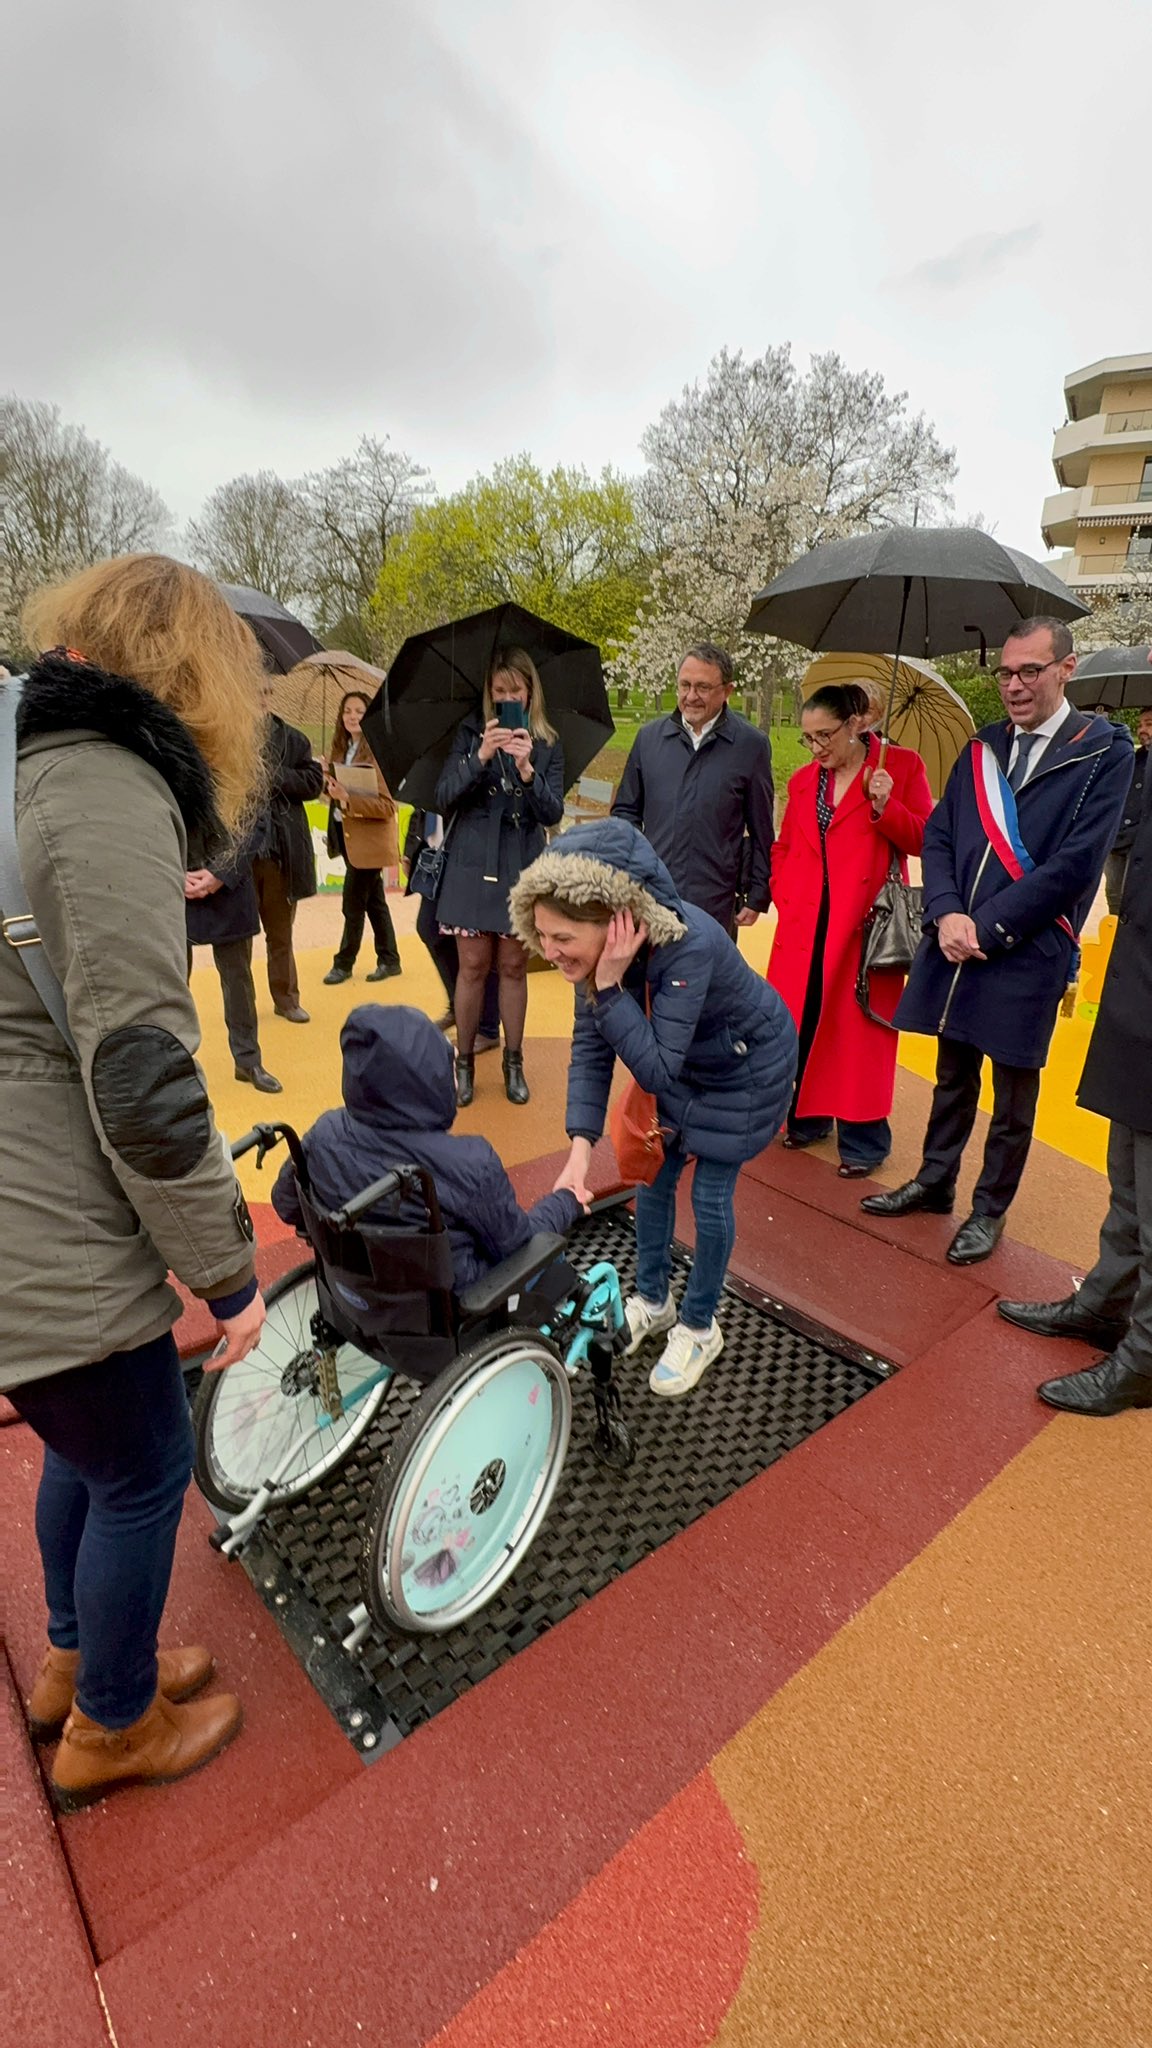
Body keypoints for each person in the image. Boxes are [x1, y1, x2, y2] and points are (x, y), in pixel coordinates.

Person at [2, 555, 268, 1810]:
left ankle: (79, 1656)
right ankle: (113, 1724)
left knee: (87, 1449)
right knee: (146, 1466)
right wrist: (228, 1271)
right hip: (45, 1201)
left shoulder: (29, 747)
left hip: (29, 1185)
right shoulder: (101, 775)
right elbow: (140, 1068)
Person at [863, 618, 1133, 1265]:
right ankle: (935, 1181)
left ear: (1066, 669)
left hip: (1028, 947)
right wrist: (946, 913)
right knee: (951, 1074)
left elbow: (1075, 866)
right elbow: (940, 835)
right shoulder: (982, 747)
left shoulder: (1104, 753)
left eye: (1029, 671)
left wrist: (984, 928)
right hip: (958, 940)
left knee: (1013, 1093)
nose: (1013, 685)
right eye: (1006, 672)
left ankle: (988, 1210)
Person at [509, 819, 797, 1398]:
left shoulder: (691, 945)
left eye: (562, 937)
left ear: (616, 920)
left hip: (744, 1069)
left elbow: (656, 1069)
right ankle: (654, 1299)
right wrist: (579, 1153)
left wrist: (610, 989)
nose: (549, 951)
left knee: (710, 1197)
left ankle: (700, 1325)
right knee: (652, 1176)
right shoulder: (594, 961)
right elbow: (591, 1049)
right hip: (684, 1064)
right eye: (540, 934)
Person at [997, 648, 1152, 1416]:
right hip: (1136, 994)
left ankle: (1144, 1359)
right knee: (1127, 1178)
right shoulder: (1143, 765)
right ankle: (1106, 1303)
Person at [270, 1005, 581, 1289]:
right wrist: (565, 1202)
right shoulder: (471, 1164)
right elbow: (519, 1247)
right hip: (456, 1310)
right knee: (546, 1260)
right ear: (430, 1083)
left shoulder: (324, 1133)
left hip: (355, 1296)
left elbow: (286, 1203)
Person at [768, 683, 933, 1175]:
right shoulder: (804, 779)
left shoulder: (900, 768)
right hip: (805, 923)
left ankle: (864, 1139)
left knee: (859, 1034)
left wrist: (885, 805)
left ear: (855, 724)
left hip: (865, 926)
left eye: (825, 735)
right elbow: (784, 845)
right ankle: (806, 1116)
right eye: (808, 737)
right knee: (802, 1021)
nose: (816, 747)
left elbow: (926, 839)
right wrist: (784, 892)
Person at [434, 647, 565, 1109]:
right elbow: (444, 796)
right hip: (471, 864)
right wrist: (481, 756)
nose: (507, 698)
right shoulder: (471, 734)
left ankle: (514, 1062)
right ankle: (464, 1063)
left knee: (512, 967)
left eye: (515, 691)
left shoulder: (546, 742)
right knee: (471, 967)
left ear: (530, 693)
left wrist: (527, 770)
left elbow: (552, 812)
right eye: (499, 691)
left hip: (520, 865)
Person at [611, 642, 775, 933]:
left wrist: (759, 893)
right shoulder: (649, 739)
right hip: (651, 896)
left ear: (727, 691)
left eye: (703, 687)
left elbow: (762, 827)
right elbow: (625, 811)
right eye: (684, 685)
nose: (690, 696)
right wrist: (634, 865)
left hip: (715, 901)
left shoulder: (751, 746)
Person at [185, 829, 282, 1095]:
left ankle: (248, 1062)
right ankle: (176, 1068)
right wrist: (172, 872)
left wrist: (221, 873)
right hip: (175, 884)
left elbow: (256, 822)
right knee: (173, 984)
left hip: (231, 886)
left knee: (238, 982)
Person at [252, 677, 323, 1023]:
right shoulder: (224, 736)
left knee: (280, 935)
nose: (258, 698)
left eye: (263, 692)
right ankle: (241, 1007)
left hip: (281, 855)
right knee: (235, 939)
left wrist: (272, 775)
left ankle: (287, 999)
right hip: (237, 858)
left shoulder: (293, 739)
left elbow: (313, 783)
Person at [401, 807, 501, 1050]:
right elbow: (421, 808)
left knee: (479, 943)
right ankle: (460, 1005)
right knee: (429, 928)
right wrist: (410, 849)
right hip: (435, 855)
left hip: (469, 858)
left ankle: (487, 1026)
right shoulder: (432, 781)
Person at [322, 690, 402, 987]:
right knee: (375, 902)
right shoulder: (341, 751)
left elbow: (387, 806)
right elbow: (333, 796)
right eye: (347, 711)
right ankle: (390, 959)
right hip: (347, 839)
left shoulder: (378, 753)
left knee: (352, 904)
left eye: (358, 711)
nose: (352, 716)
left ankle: (343, 963)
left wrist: (348, 797)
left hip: (369, 845)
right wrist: (326, 780)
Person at [1102, 706, 1151, 915]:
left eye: (1149, 724)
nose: (1141, 730)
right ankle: (1115, 931)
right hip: (1117, 836)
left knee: (1136, 897)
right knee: (1113, 895)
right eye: (1140, 725)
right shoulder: (1132, 758)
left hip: (1143, 841)